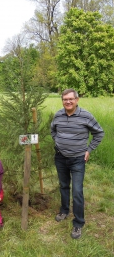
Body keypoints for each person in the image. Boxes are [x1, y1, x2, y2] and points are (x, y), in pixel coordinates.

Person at [51, 88, 104, 239]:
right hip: (60, 158)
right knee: (63, 185)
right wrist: (59, 143)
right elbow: (53, 130)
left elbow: (99, 133)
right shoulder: (58, 115)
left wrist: (89, 150)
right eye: (65, 99)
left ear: (76, 100)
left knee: (77, 191)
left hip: (78, 159)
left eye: (70, 99)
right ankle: (64, 210)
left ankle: (78, 223)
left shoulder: (86, 116)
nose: (68, 102)